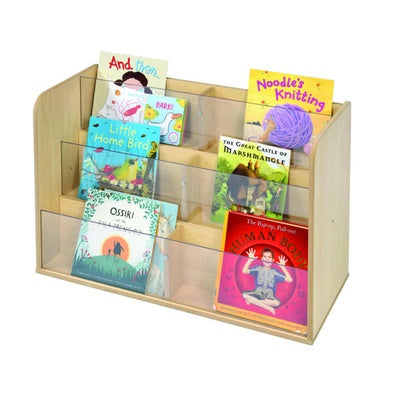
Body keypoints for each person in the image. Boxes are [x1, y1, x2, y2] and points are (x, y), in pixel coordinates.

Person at [242, 247, 292, 314]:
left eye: (269, 257)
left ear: (273, 260)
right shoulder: (258, 268)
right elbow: (244, 271)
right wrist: (250, 260)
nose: (267, 259)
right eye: (265, 256)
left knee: (277, 303)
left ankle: (253, 301)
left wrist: (283, 267)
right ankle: (268, 308)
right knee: (244, 295)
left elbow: (289, 279)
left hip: (269, 297)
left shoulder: (275, 272)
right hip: (257, 293)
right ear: (262, 258)